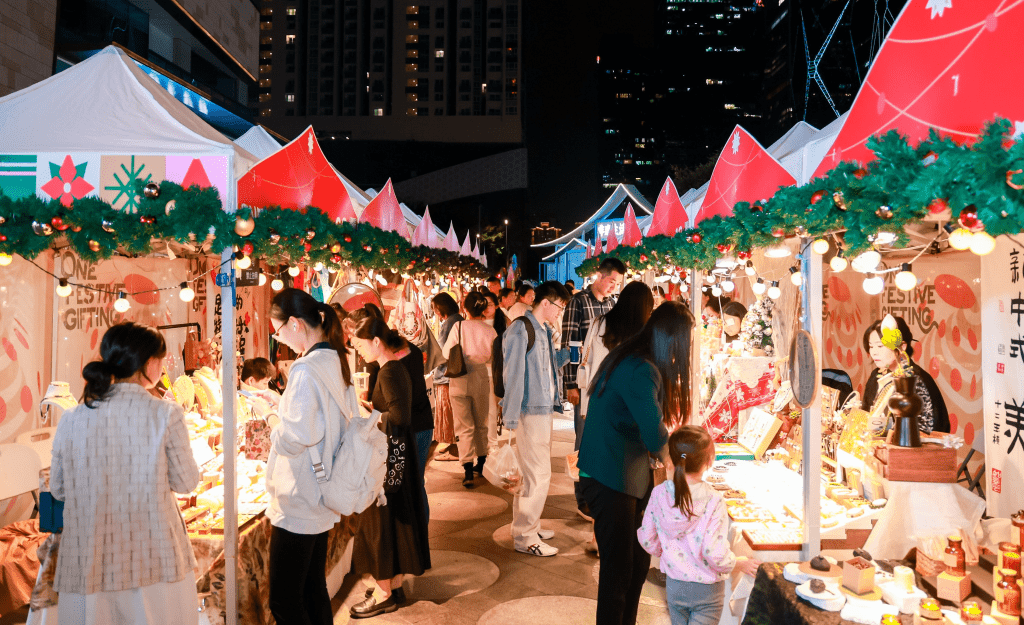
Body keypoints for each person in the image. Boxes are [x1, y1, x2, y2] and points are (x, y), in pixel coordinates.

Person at [50, 322, 201, 625]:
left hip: (88, 559)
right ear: (150, 364)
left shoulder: (72, 417)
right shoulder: (166, 414)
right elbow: (187, 482)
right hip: (154, 556)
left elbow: (58, 490)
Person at [578, 302, 696, 625]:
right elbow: (656, 436)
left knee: (637, 563)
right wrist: (685, 471)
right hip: (608, 476)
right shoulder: (641, 369)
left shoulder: (634, 358)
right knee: (618, 570)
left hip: (621, 472)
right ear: (670, 340)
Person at [266, 288, 357, 625]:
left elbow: (296, 436)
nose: (280, 340)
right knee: (312, 588)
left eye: (278, 331)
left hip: (300, 497)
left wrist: (274, 421)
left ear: (295, 323)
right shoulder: (336, 358)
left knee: (285, 600)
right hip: (321, 489)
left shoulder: (306, 370)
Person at [349, 315, 431, 618]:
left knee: (380, 521)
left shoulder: (389, 372)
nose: (359, 351)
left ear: (375, 342)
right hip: (397, 455)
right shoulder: (392, 368)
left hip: (392, 457)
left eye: (359, 345)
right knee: (392, 518)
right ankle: (392, 584)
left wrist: (370, 416)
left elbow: (400, 417)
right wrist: (374, 409)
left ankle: (384, 592)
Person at [637, 426, 761, 625]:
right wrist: (738, 563)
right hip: (706, 591)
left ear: (671, 459)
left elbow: (647, 538)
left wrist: (667, 552)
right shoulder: (714, 499)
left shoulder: (659, 494)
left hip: (674, 585)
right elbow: (715, 553)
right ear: (709, 461)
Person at [578, 281, 654, 554]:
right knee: (614, 471)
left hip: (597, 398)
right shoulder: (641, 333)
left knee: (599, 465)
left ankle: (599, 535)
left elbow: (585, 357)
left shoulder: (600, 322)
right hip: (621, 408)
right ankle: (607, 538)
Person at [501, 281, 572, 557]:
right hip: (530, 411)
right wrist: (510, 416)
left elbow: (544, 365)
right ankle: (525, 535)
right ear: (546, 303)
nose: (560, 312)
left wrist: (566, 356)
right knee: (536, 474)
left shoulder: (541, 329)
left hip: (542, 408)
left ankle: (530, 525)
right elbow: (514, 373)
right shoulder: (522, 328)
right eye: (560, 307)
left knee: (536, 472)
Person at [561, 256, 625, 522]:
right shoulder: (578, 302)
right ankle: (582, 498)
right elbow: (569, 344)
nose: (613, 287)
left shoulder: (612, 304)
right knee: (583, 440)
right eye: (612, 281)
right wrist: (570, 384)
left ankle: (598, 493)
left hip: (607, 384)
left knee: (601, 440)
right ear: (600, 275)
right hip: (584, 385)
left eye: (618, 284)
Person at [442, 291, 498, 487]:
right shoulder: (490, 331)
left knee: (463, 424)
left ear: (465, 308)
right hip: (481, 376)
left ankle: (467, 469)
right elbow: (494, 357)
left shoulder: (458, 326)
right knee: (481, 422)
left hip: (459, 376)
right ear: (483, 309)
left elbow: (445, 352)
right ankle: (481, 464)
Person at [861, 316, 950, 434]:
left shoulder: (916, 380)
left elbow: (932, 428)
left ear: (902, 346)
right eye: (871, 346)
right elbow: (866, 414)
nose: (874, 352)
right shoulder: (875, 376)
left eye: (880, 346)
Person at [430, 292, 463, 461]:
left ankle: (455, 449)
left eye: (435, 309)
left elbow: (442, 351)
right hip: (457, 374)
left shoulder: (449, 323)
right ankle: (453, 445)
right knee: (455, 412)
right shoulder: (459, 319)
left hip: (446, 374)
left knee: (448, 412)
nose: (435, 312)